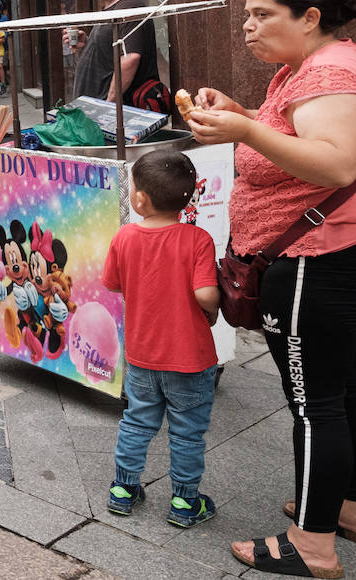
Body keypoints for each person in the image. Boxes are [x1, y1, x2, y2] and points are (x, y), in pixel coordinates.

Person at [186, 0, 356, 579]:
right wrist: (245, 111)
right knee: (348, 385)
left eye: (262, 14)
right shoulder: (315, 68)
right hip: (348, 254)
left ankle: (311, 544)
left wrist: (245, 128)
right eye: (247, 14)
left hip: (320, 261)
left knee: (315, 403)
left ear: (309, 17)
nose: (248, 27)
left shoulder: (332, 71)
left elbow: (334, 163)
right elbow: (300, 131)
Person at [102, 150, 220, 528]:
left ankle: (123, 489)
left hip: (142, 355)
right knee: (187, 432)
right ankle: (185, 503)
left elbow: (113, 283)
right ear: (189, 197)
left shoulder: (125, 237)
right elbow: (205, 294)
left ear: (139, 199)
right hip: (189, 358)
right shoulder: (198, 239)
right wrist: (214, 308)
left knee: (137, 421)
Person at [63, 0, 159, 102]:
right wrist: (85, 46)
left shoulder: (131, 8)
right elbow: (110, 55)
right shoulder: (112, 6)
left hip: (114, 115)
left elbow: (130, 58)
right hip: (96, 110)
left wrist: (109, 105)